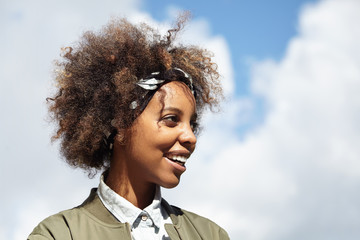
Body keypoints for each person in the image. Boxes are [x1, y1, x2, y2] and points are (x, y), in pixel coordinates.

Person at [28, 15, 229, 240]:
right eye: (171, 119)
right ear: (121, 122)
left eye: (192, 124)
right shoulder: (59, 234)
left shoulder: (210, 234)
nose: (191, 137)